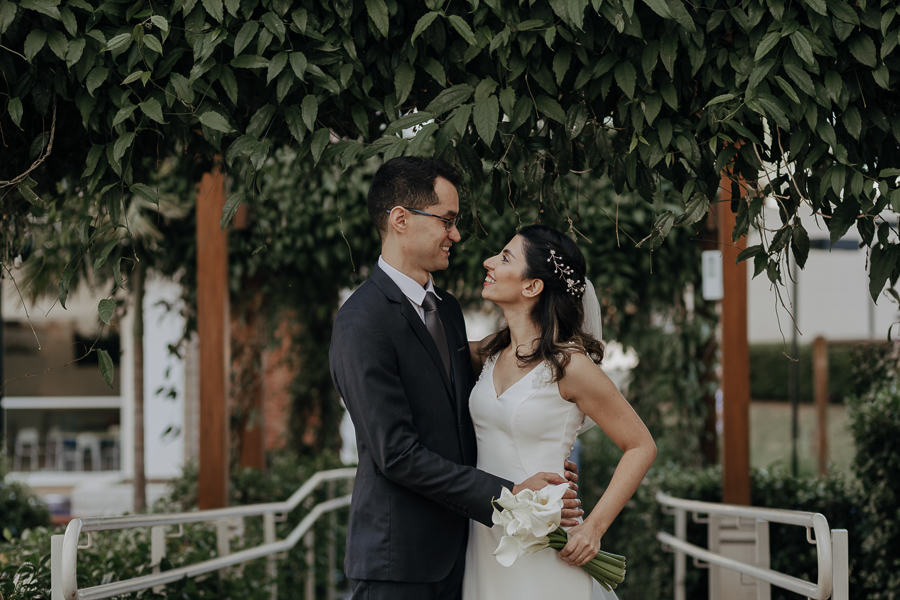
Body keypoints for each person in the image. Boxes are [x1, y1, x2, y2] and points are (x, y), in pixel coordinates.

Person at [329, 157, 582, 600]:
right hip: (399, 563)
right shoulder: (360, 321)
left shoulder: (444, 308)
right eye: (447, 220)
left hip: (467, 556)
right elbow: (397, 454)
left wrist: (537, 452)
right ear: (401, 219)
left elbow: (478, 403)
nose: (457, 235)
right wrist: (511, 494)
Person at [462, 225, 658, 599]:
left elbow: (641, 445)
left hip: (547, 541)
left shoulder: (571, 365)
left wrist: (594, 529)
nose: (488, 261)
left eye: (504, 257)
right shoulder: (489, 352)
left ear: (532, 286)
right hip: (485, 537)